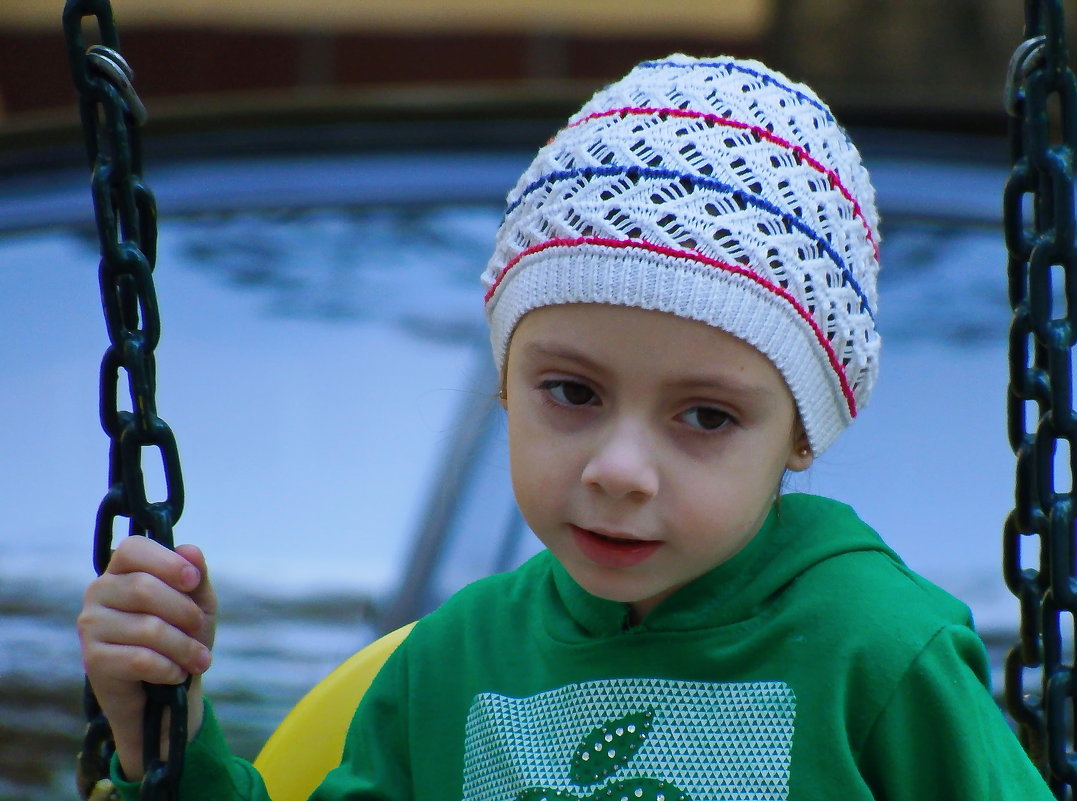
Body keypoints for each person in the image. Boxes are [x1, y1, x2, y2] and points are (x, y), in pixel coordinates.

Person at [78, 54, 1054, 800]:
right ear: (505, 381)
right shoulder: (447, 672)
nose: (621, 469)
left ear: (803, 434)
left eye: (706, 416)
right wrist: (166, 735)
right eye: (573, 394)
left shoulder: (879, 657)